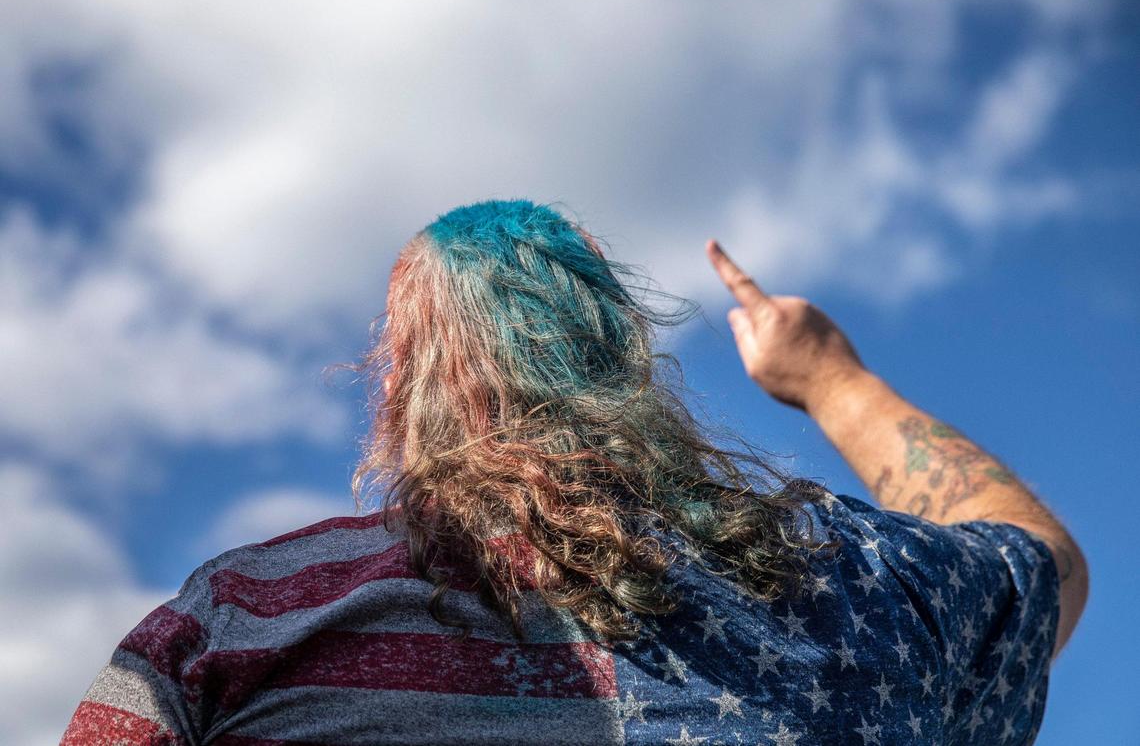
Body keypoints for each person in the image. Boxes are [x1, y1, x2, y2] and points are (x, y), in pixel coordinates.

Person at [62, 199, 1087, 745]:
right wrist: (830, 378)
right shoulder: (855, 584)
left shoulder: (244, 616)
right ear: (623, 352)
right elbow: (1043, 562)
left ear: (402, 378)